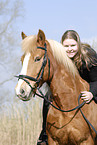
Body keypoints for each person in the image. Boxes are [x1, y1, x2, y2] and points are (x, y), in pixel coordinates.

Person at [37, 30, 97, 145]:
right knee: (47, 99)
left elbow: (96, 79)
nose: (70, 49)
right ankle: (44, 134)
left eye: (73, 45)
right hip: (71, 91)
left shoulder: (89, 55)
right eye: (66, 46)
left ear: (78, 44)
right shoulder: (60, 57)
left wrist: (91, 93)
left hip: (91, 87)